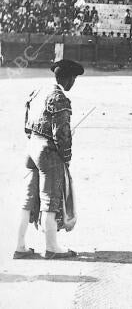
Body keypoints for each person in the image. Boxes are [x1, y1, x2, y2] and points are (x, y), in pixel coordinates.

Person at [15, 59, 84, 260]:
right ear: (69, 78)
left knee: (28, 200)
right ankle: (52, 247)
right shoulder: (59, 98)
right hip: (48, 152)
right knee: (50, 200)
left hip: (32, 147)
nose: (74, 83)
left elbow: (27, 124)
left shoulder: (38, 91)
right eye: (74, 79)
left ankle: (20, 246)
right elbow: (61, 134)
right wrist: (67, 158)